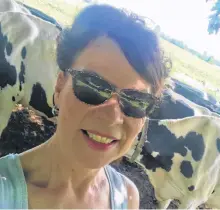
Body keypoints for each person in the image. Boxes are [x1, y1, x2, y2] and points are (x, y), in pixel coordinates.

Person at [0, 3, 170, 209]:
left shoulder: (127, 196)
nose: (113, 116)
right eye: (93, 85)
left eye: (136, 101)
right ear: (60, 87)